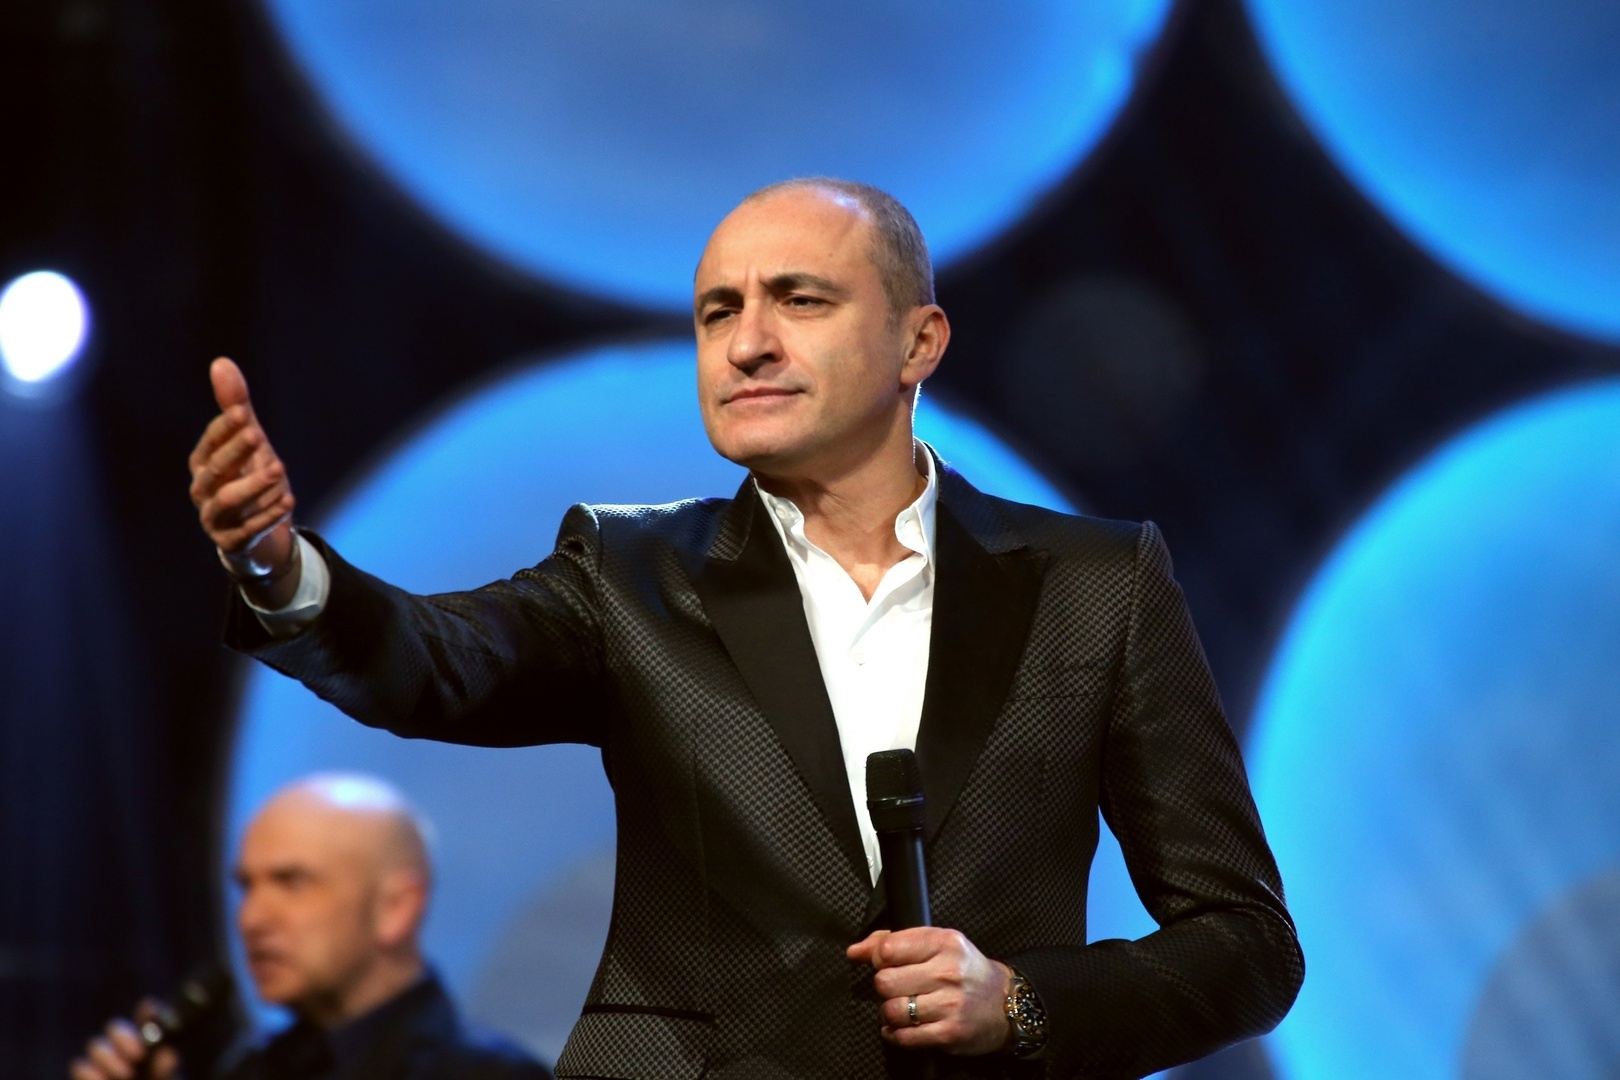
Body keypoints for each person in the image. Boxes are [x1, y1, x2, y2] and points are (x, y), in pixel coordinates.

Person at [187, 179, 1303, 1078]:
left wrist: (1018, 1002)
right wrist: (280, 568)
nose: (747, 344)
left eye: (799, 301)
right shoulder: (630, 573)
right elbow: (433, 663)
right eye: (718, 311)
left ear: (919, 342)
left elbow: (1244, 944)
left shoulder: (1095, 584)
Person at [70, 774, 551, 1080]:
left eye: (292, 882)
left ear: (396, 907)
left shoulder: (489, 1075)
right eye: (246, 886)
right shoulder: (251, 1067)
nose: (251, 919)